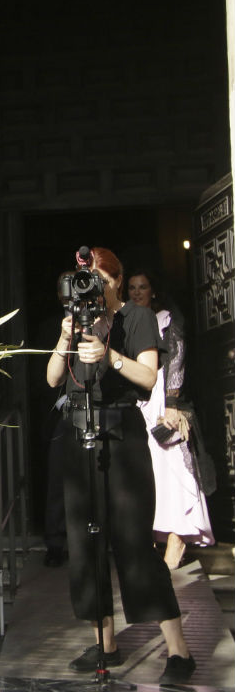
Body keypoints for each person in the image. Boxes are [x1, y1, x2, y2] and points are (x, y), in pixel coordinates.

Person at [46, 247, 196, 685]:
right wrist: (65, 338)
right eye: (84, 280)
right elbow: (54, 378)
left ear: (116, 279)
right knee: (85, 544)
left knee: (133, 543)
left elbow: (150, 379)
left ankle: (178, 651)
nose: (92, 289)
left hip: (122, 436)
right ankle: (106, 643)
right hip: (77, 435)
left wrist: (109, 357)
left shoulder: (137, 317)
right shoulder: (76, 320)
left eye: (100, 281)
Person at [127, 269, 213, 568]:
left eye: (143, 287)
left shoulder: (166, 320)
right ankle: (149, 541)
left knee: (171, 470)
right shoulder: (127, 321)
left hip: (162, 399)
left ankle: (176, 541)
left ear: (153, 291)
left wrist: (173, 404)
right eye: (132, 288)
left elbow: (175, 360)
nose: (137, 292)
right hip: (138, 402)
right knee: (145, 474)